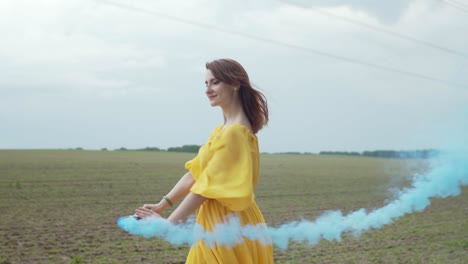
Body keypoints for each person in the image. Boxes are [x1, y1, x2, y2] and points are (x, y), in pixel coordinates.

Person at [134, 58, 274, 263]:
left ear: (235, 84)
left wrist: (169, 224)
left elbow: (204, 189)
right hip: (216, 226)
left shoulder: (235, 133)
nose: (208, 89)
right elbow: (194, 174)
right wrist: (161, 205)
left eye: (215, 82)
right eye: (206, 84)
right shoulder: (222, 131)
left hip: (228, 227)